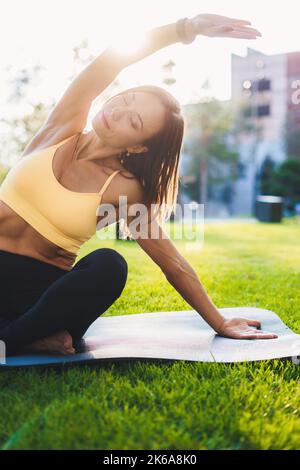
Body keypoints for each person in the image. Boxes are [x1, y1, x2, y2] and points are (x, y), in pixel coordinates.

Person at [0, 13, 277, 357]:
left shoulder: (125, 189)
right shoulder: (62, 126)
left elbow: (171, 262)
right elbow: (110, 61)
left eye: (133, 121)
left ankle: (11, 337)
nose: (117, 112)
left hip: (42, 298)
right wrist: (185, 29)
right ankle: (24, 337)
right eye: (126, 100)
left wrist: (219, 321)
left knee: (110, 264)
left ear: (138, 147)